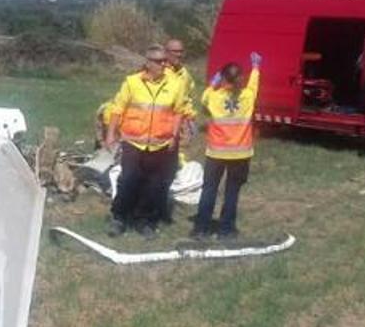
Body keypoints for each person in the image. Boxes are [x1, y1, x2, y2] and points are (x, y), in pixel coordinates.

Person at [105, 45, 187, 239]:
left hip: (160, 144)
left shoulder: (175, 84)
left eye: (164, 61)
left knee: (153, 184)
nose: (164, 65)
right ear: (148, 63)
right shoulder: (132, 83)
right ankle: (119, 217)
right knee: (129, 179)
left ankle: (144, 221)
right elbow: (118, 109)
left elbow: (178, 112)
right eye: (159, 61)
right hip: (134, 143)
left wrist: (174, 136)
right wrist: (110, 134)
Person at [191, 51, 262, 241]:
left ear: (223, 78)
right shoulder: (247, 96)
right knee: (232, 192)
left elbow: (204, 98)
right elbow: (254, 86)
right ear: (240, 79)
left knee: (209, 189)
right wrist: (255, 68)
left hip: (216, 153)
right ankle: (226, 230)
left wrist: (214, 83)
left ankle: (201, 229)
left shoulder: (214, 97)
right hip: (240, 154)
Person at [159, 38, 197, 223]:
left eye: (181, 51)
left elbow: (187, 97)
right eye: (175, 51)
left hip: (176, 127)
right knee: (155, 167)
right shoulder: (158, 72)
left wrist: (189, 118)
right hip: (158, 127)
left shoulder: (185, 75)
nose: (179, 55)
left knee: (170, 167)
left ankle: (165, 207)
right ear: (166, 52)